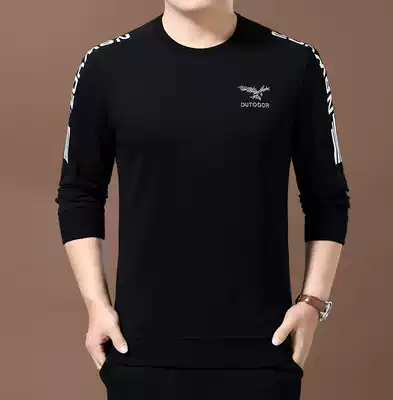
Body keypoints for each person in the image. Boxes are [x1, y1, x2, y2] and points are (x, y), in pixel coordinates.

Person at [55, 1, 351, 399]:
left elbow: (328, 197)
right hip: (140, 351)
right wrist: (96, 305)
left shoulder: (295, 64)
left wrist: (312, 303)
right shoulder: (106, 66)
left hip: (262, 353)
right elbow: (79, 193)